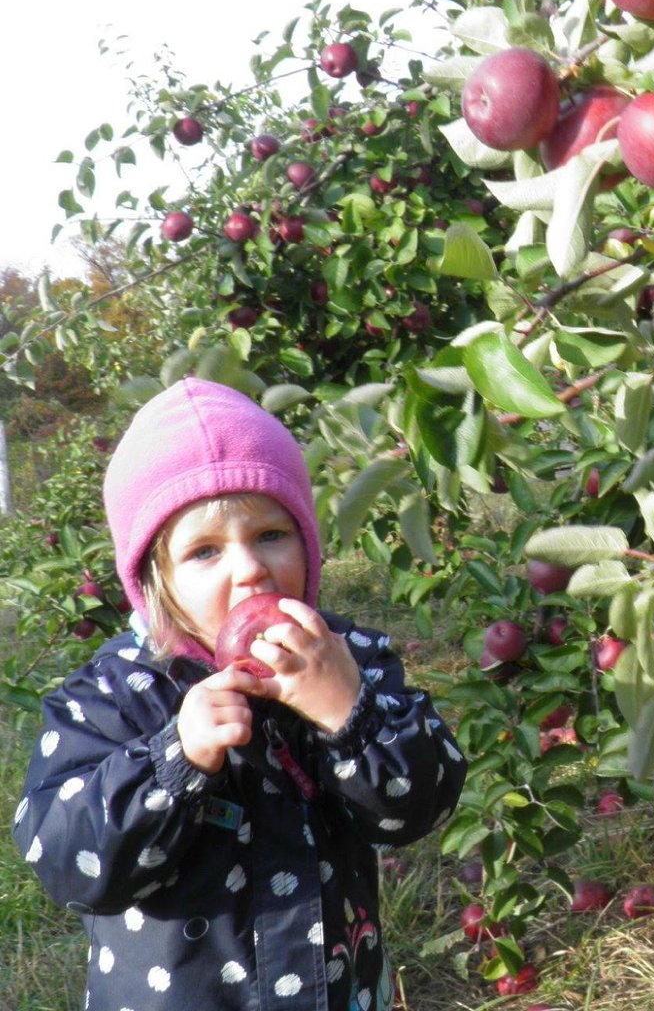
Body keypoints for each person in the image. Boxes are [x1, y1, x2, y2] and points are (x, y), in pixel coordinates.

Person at [13, 377, 467, 1011]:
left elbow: (421, 808)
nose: (249, 569)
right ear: (155, 580)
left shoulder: (346, 660)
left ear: (307, 543)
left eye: (270, 535)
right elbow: (67, 861)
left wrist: (350, 713)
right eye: (204, 551)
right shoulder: (116, 695)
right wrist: (173, 760)